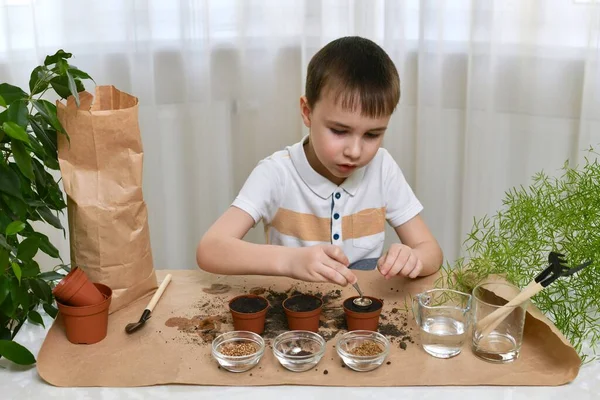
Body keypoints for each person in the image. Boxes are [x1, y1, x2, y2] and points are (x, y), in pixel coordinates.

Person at [196, 36, 443, 287]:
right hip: (292, 314)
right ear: (307, 112)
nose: (355, 151)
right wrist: (291, 261)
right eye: (339, 131)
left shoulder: (382, 168)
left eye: (372, 134)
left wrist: (413, 258)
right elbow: (210, 249)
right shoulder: (276, 173)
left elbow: (432, 252)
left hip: (361, 316)